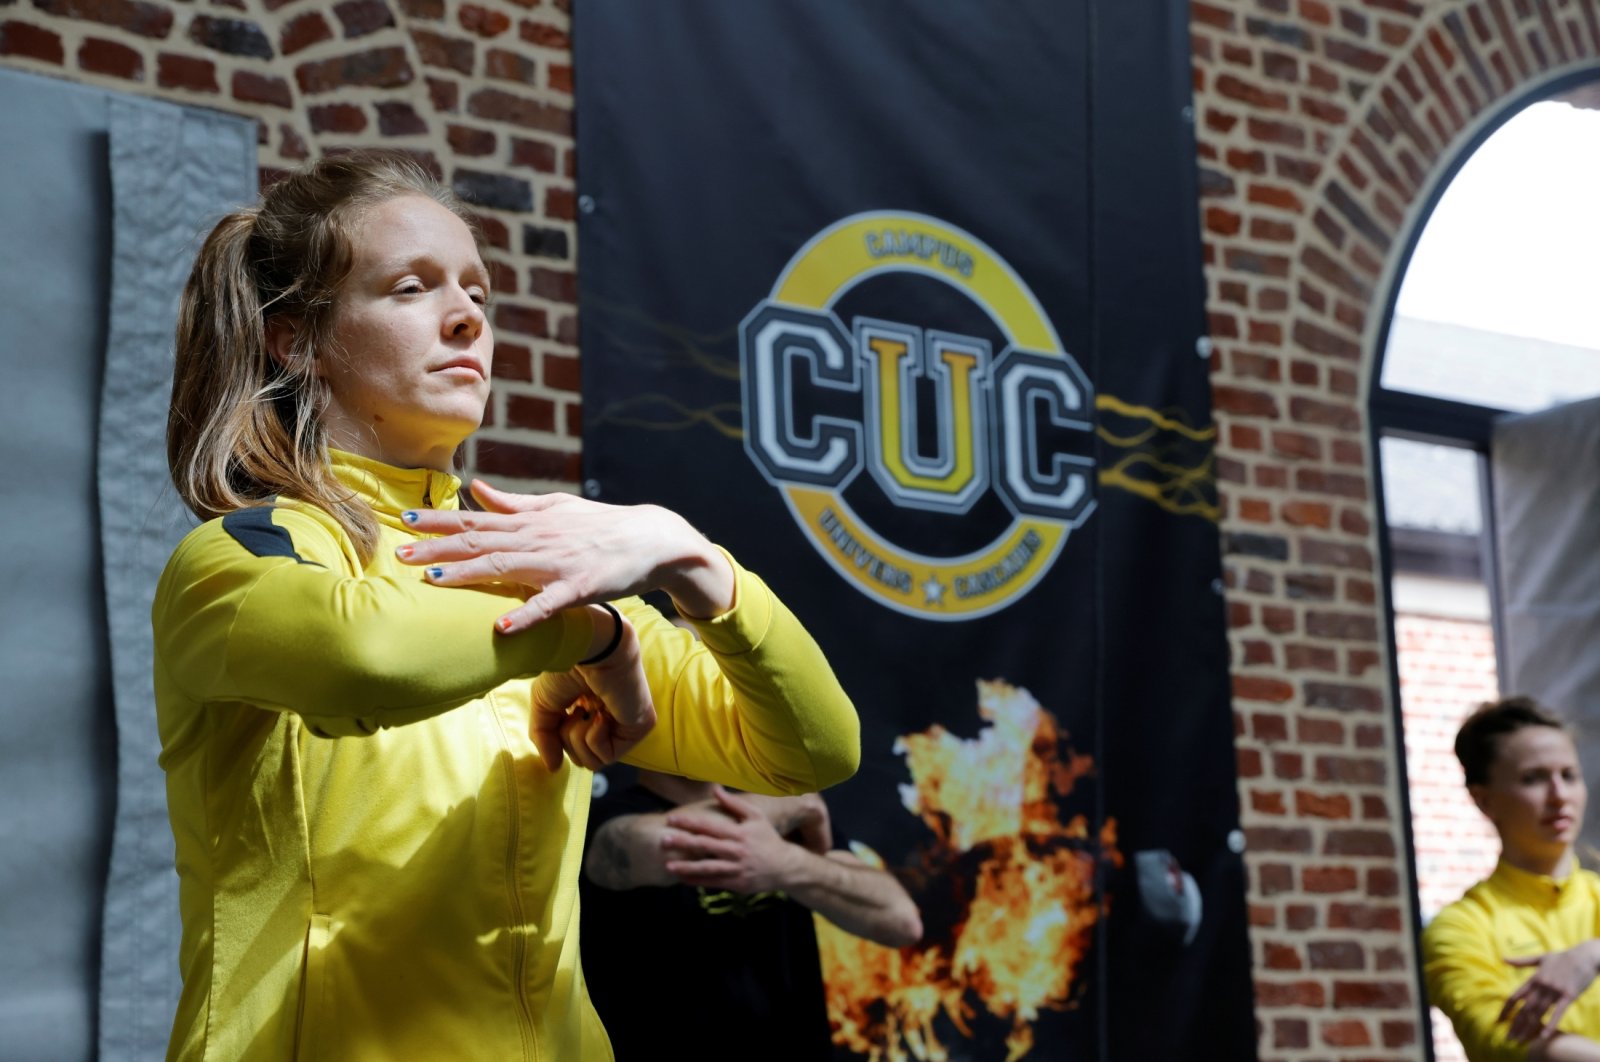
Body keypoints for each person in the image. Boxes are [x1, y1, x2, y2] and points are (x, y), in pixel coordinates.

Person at [153, 149, 859, 1061]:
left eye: (479, 294)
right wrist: (591, 635)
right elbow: (365, 655)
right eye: (411, 288)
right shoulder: (239, 556)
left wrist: (689, 558)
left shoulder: (539, 572)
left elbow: (816, 747)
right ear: (299, 339)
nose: (466, 320)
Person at [580, 767, 922, 1060]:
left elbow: (901, 919)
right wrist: (791, 802)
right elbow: (653, 841)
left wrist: (787, 863)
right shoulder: (602, 817)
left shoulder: (784, 822)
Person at [1423, 697, 1600, 1061]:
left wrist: (1593, 953)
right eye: (1533, 778)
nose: (1559, 796)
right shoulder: (1460, 929)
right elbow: (1504, 1043)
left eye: (1569, 775)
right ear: (1484, 801)